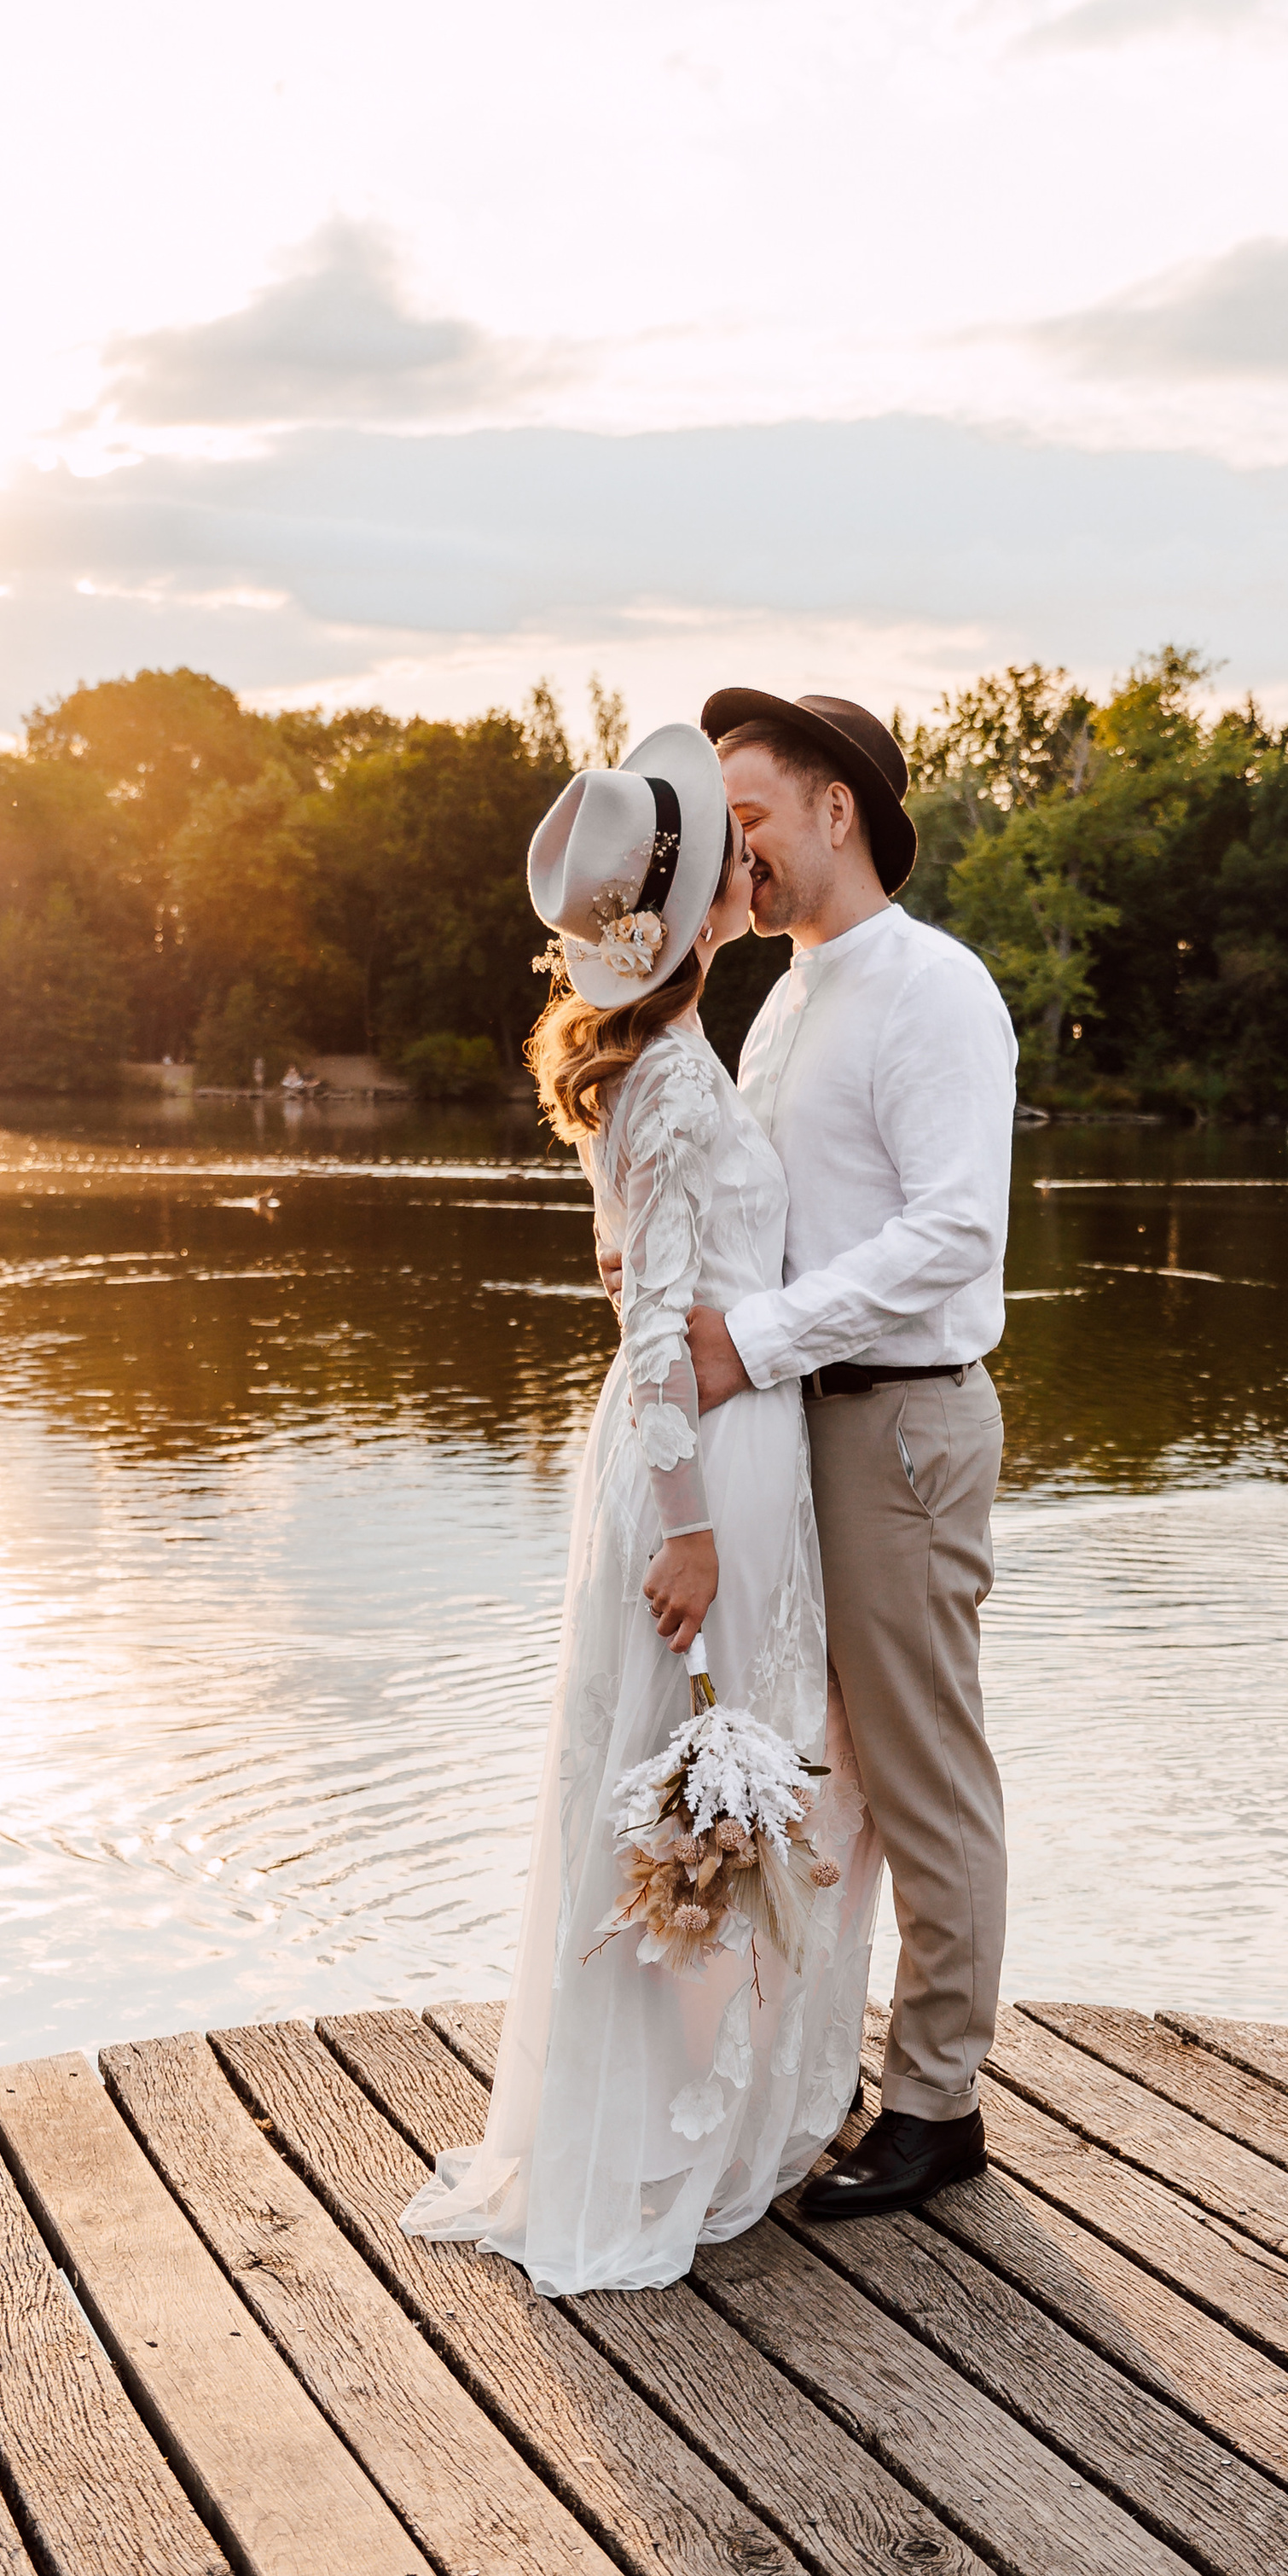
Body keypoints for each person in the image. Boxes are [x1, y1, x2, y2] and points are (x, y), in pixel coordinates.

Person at [399, 724, 879, 2296]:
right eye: (722, 842)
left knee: (703, 1767)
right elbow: (656, 1328)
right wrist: (683, 1524)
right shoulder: (669, 1081)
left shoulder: (676, 1064)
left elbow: (662, 1284)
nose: (754, 854)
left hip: (717, 1448)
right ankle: (675, 2128)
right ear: (688, 905)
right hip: (699, 1465)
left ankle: (700, 2109)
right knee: (702, 1774)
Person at [683, 689, 1017, 2220]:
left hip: (899, 1424)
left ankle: (938, 2108)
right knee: (818, 1766)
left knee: (918, 1765)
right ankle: (817, 2071)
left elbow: (953, 1229)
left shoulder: (930, 988)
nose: (734, 847)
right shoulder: (791, 993)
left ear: (836, 811)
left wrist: (752, 1342)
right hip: (803, 1425)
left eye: (749, 815)